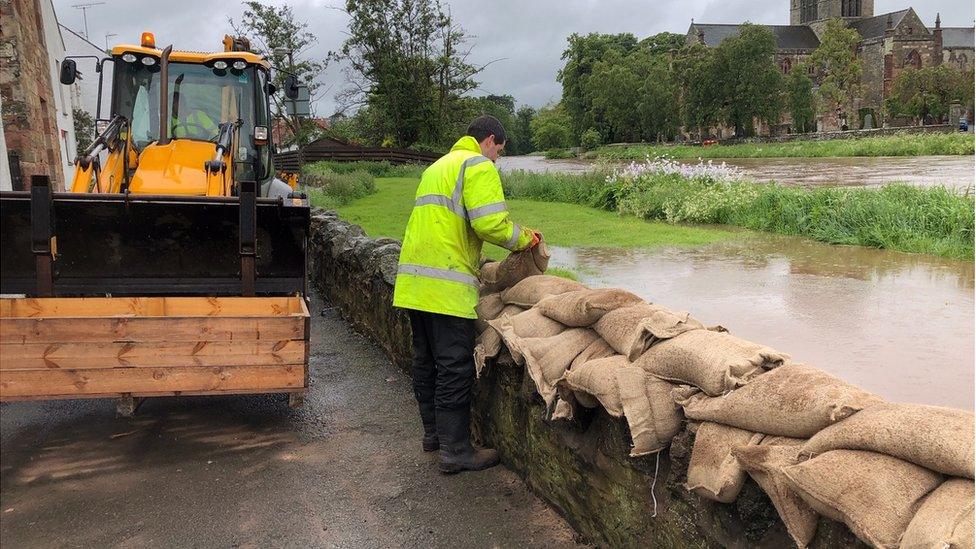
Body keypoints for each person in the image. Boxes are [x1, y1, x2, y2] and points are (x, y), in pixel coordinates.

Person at [393, 115, 541, 474]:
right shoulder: (477, 166)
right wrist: (526, 239)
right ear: (489, 141)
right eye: (499, 153)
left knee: (425, 362)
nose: (496, 161)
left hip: (413, 284)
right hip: (445, 289)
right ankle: (456, 451)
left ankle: (433, 436)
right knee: (455, 368)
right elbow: (490, 223)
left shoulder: (437, 167)